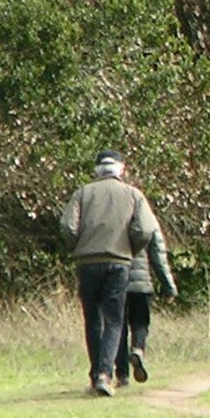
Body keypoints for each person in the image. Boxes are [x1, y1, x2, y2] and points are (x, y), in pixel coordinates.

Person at [60, 149, 160, 396]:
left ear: (96, 170)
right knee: (114, 320)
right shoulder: (133, 194)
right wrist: (130, 247)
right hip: (119, 262)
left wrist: (79, 247)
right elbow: (146, 229)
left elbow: (67, 226)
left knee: (93, 319)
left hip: (87, 263)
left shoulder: (82, 193)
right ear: (121, 170)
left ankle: (97, 376)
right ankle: (106, 374)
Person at [114, 223, 178, 387]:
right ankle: (137, 349)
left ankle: (122, 375)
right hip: (141, 284)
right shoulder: (146, 221)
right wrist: (169, 287)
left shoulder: (115, 219)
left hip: (117, 282)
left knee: (119, 328)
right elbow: (159, 258)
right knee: (140, 323)